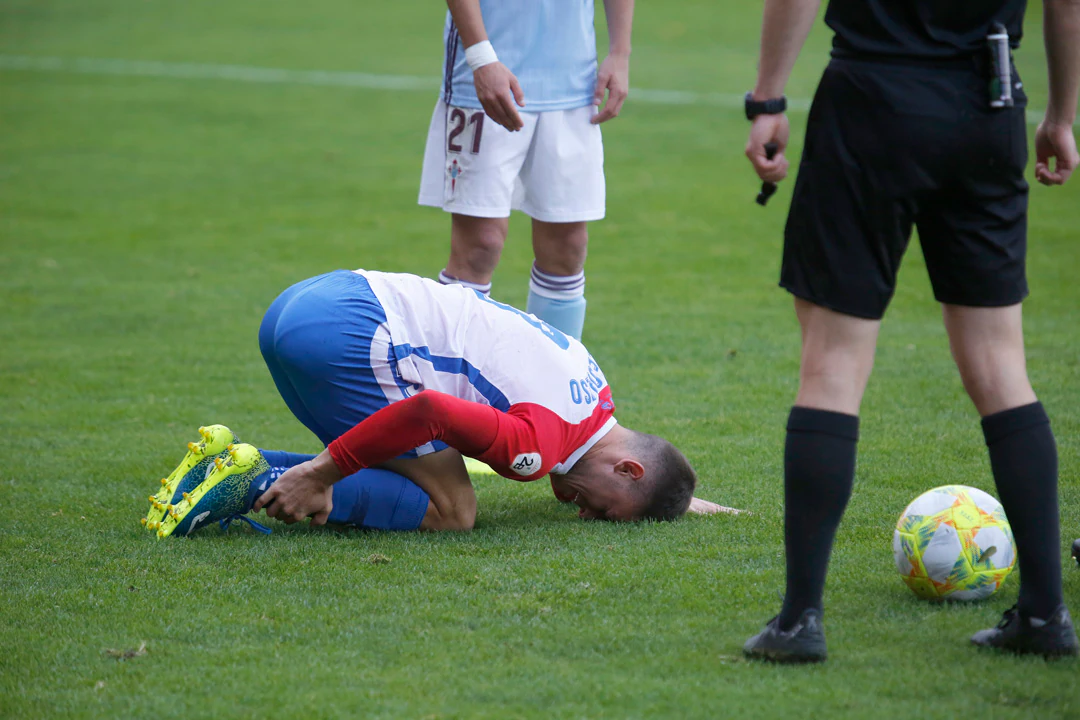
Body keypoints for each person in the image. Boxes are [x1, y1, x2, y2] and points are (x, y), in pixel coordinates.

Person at [740, 0, 1080, 661]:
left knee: (832, 366)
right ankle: (1045, 613)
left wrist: (767, 99)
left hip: (871, 101)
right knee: (1001, 367)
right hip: (989, 101)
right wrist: (1062, 116)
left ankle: (798, 622)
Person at [142, 269, 726, 539]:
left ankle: (224, 459)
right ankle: (260, 478)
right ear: (628, 468)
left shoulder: (593, 393)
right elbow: (429, 414)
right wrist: (321, 471)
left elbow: (623, 472)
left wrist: (677, 498)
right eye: (605, 512)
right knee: (454, 511)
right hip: (348, 332)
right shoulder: (538, 447)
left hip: (308, 300)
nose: (584, 514)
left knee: (418, 466)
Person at [418, 0, 634, 340]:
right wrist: (481, 58)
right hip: (483, 82)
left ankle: (552, 387)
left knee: (568, 246)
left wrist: (620, 52)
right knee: (480, 245)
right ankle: (458, 387)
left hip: (575, 85)